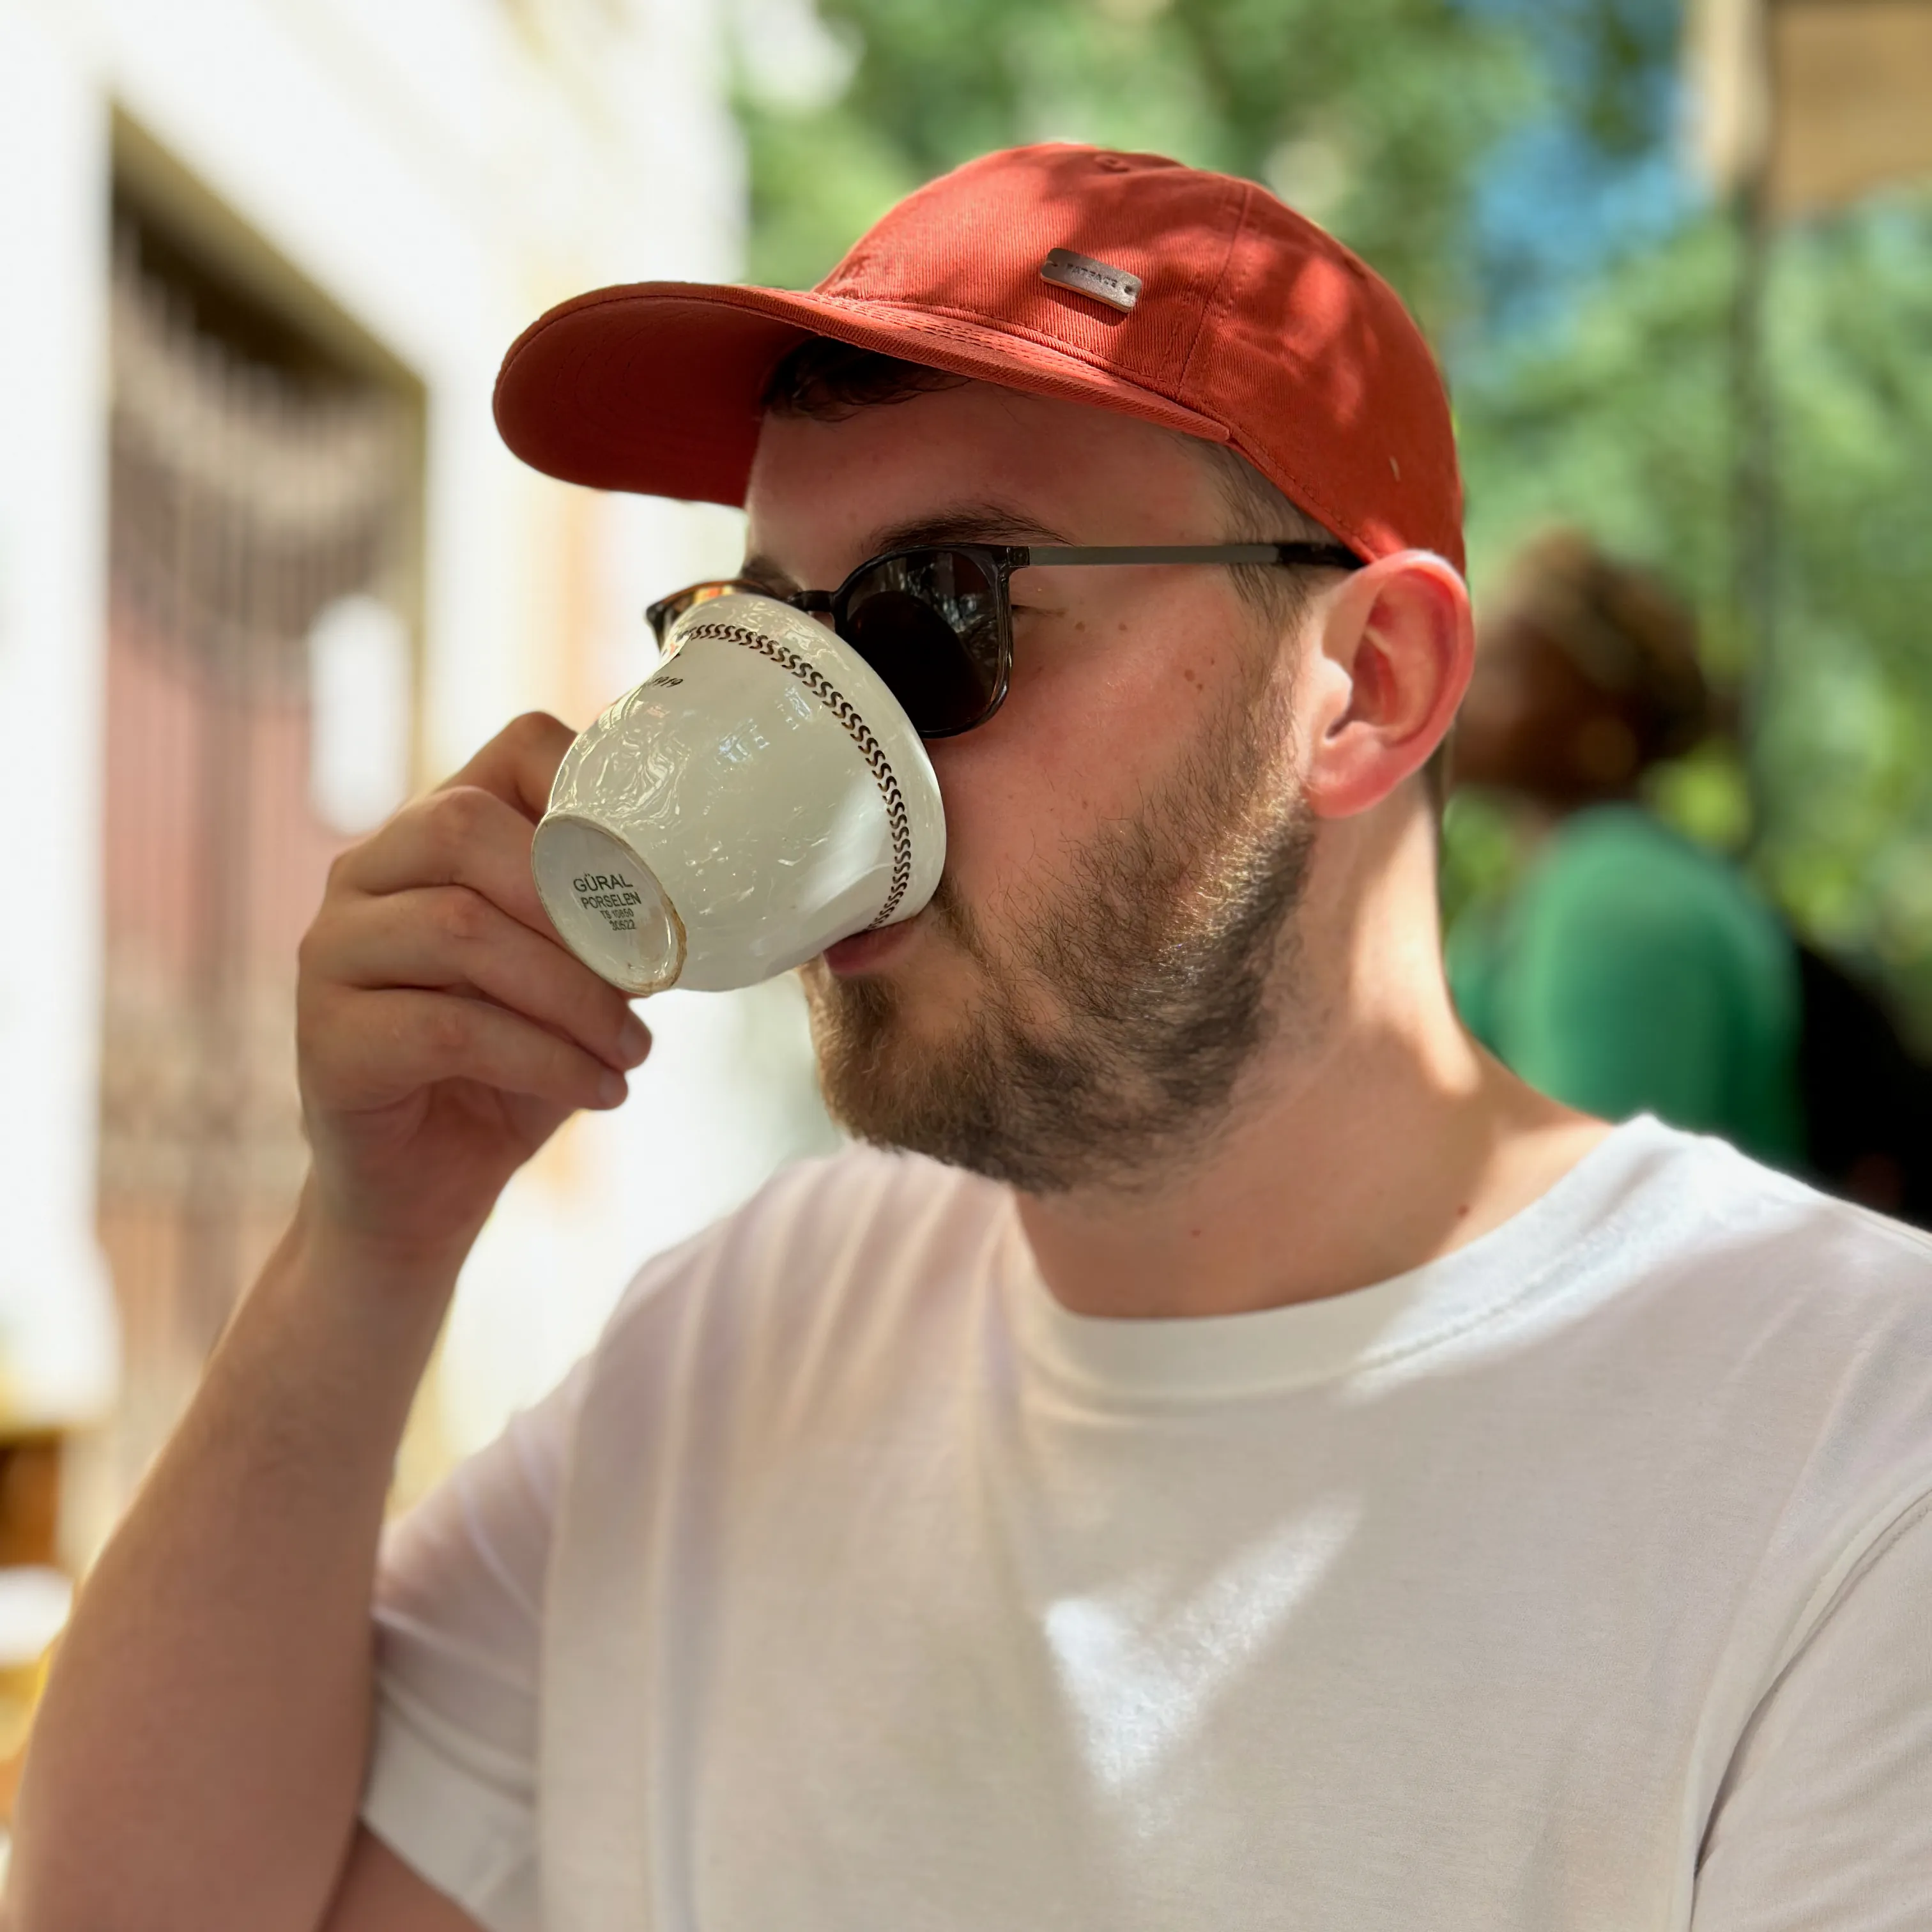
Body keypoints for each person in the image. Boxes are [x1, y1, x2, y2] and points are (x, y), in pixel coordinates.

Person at [13, 145, 1932, 1932]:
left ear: (1364, 688)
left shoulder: (1852, 1459)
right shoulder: (749, 1335)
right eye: (754, 631)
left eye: (935, 618)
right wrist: (373, 1247)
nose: (813, 726)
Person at [1446, 530, 1807, 1169]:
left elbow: (1593, 1209)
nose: (1462, 688)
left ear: (1602, 717)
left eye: (1504, 669)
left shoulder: (1612, 891)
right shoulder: (1576, 883)